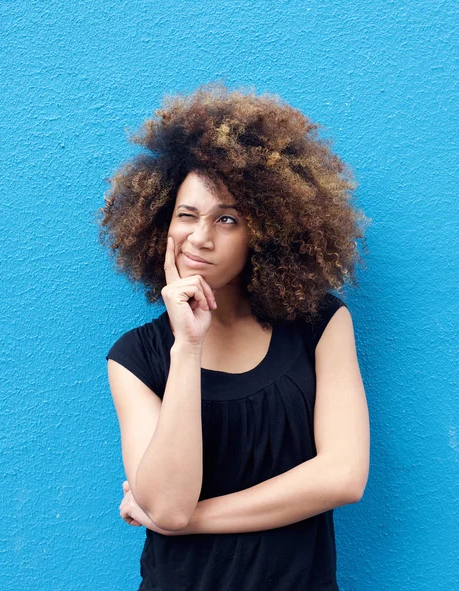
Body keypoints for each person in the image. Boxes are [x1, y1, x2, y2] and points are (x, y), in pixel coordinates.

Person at [97, 82, 371, 591]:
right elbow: (170, 505)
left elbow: (344, 476)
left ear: (264, 232)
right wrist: (188, 347)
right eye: (186, 215)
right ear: (161, 224)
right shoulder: (135, 358)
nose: (200, 238)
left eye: (227, 219)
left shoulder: (320, 325)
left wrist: (190, 518)